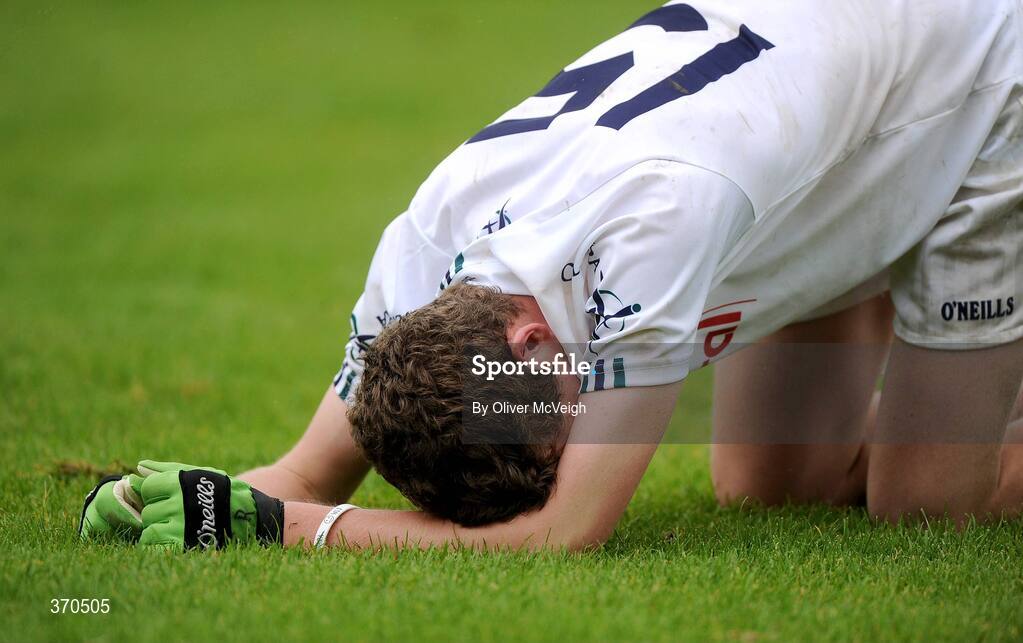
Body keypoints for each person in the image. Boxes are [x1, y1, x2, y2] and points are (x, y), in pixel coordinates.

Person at [80, 0, 1023, 551]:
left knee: (926, 508)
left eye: (555, 434)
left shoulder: (654, 224)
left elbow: (560, 536)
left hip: (979, 75)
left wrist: (304, 532)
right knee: (768, 487)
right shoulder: (419, 258)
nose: (576, 449)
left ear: (527, 342)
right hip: (837, 125)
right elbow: (301, 472)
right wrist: (205, 509)